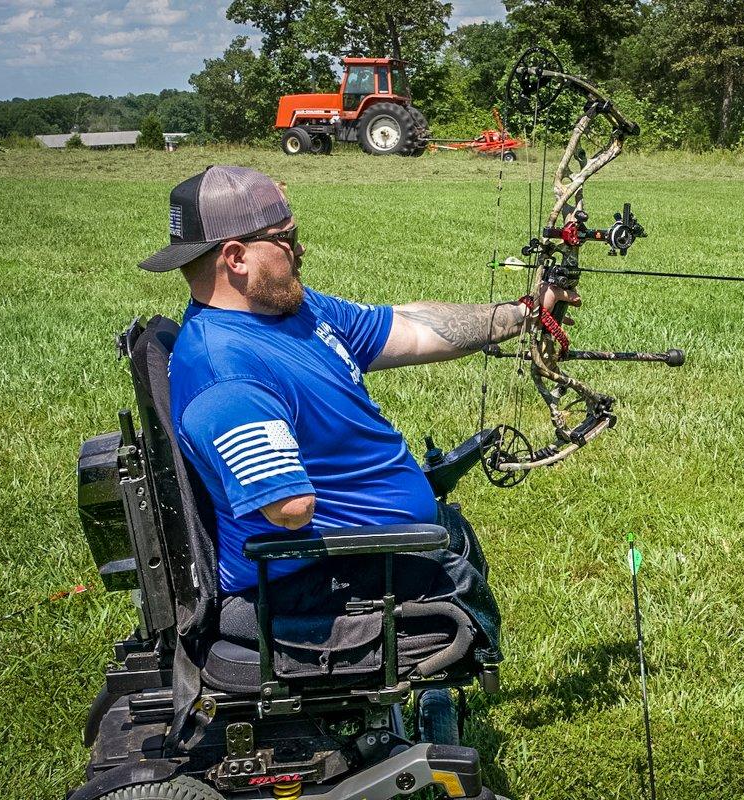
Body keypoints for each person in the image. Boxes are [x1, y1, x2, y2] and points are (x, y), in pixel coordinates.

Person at [138, 165, 577, 741]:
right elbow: (288, 509)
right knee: (436, 537)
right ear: (237, 257)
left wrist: (523, 314)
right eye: (287, 238)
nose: (301, 250)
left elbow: (412, 328)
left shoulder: (294, 315)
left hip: (359, 559)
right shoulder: (227, 374)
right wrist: (388, 513)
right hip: (322, 580)